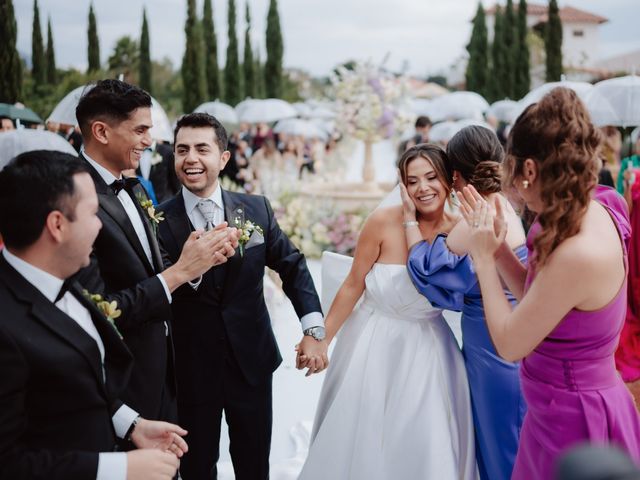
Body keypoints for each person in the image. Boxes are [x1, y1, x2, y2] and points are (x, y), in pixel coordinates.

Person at [458, 87, 640, 479]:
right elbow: (540, 301)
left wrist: (485, 260)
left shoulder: (577, 252)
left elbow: (510, 343)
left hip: (578, 423)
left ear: (529, 169)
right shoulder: (581, 208)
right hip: (549, 411)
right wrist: (500, 248)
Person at [157, 113, 326, 480]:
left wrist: (314, 329)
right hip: (190, 368)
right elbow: (155, 289)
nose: (191, 159)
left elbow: (293, 265)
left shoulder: (255, 209)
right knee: (196, 466)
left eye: (202, 148)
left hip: (250, 362)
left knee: (253, 464)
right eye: (182, 149)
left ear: (223, 158)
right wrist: (193, 269)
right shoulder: (157, 220)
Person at [0, 151, 188, 479]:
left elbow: (69, 387)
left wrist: (131, 425)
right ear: (57, 225)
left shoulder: (66, 278)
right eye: (93, 213)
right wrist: (118, 468)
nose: (100, 225)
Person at [298, 144, 477, 480]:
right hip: (374, 345)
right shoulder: (381, 222)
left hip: (431, 349)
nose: (422, 188)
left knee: (426, 438)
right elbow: (353, 285)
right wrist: (321, 338)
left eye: (431, 177)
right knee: (363, 433)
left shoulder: (459, 229)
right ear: (402, 186)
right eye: (412, 181)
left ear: (448, 181)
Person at [74, 79, 238, 425]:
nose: (150, 141)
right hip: (122, 385)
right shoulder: (76, 198)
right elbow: (99, 309)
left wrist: (196, 263)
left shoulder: (135, 189)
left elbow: (154, 266)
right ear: (101, 131)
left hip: (164, 372)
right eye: (140, 130)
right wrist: (178, 273)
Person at [403, 126, 527, 480]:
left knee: (500, 445)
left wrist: (411, 222)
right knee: (510, 439)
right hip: (511, 340)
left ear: (455, 176)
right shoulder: (505, 205)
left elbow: (428, 274)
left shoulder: (476, 220)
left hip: (491, 351)